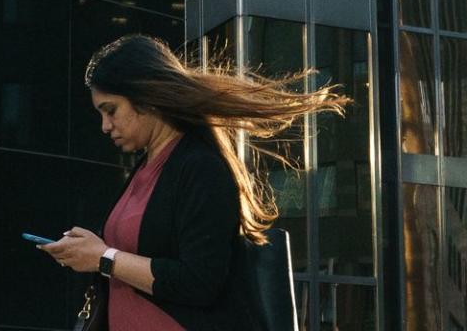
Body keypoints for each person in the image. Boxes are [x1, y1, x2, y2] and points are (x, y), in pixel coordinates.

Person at [38, 34, 348, 331]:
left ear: (146, 97)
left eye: (111, 111)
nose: (106, 126)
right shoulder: (144, 170)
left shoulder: (200, 167)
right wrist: (91, 251)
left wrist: (104, 258)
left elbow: (199, 282)